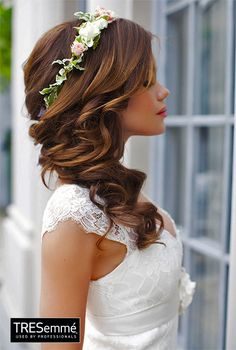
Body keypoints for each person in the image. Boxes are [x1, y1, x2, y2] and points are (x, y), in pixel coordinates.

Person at [23, 6, 196, 350]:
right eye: (147, 82)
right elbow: (50, 334)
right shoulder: (73, 213)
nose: (163, 92)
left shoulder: (115, 187)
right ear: (105, 96)